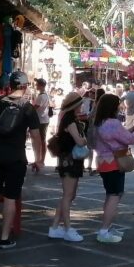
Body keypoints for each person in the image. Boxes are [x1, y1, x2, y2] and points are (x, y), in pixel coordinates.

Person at [0, 71, 43, 249]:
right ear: (25, 86)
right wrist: (39, 159)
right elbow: (36, 136)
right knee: (10, 198)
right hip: (16, 157)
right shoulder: (27, 107)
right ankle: (5, 238)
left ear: (10, 85)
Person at [93, 94, 134, 243]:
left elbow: (121, 135)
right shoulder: (113, 123)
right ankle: (104, 230)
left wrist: (133, 127)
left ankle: (107, 227)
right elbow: (129, 139)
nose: (120, 106)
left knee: (111, 195)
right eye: (117, 104)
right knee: (114, 195)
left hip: (103, 162)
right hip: (114, 162)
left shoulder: (100, 122)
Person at [48, 92, 87, 242]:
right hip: (69, 160)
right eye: (80, 103)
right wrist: (83, 140)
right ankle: (67, 228)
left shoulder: (68, 118)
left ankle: (55, 226)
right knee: (68, 195)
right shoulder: (70, 120)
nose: (82, 106)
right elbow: (79, 141)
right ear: (75, 105)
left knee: (68, 195)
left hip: (69, 160)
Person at [33, 78, 51, 162]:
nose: (36, 86)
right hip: (43, 119)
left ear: (41, 85)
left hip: (41, 120)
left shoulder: (41, 96)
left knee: (41, 140)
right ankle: (40, 159)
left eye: (37, 84)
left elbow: (35, 108)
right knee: (41, 140)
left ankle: (41, 159)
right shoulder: (44, 95)